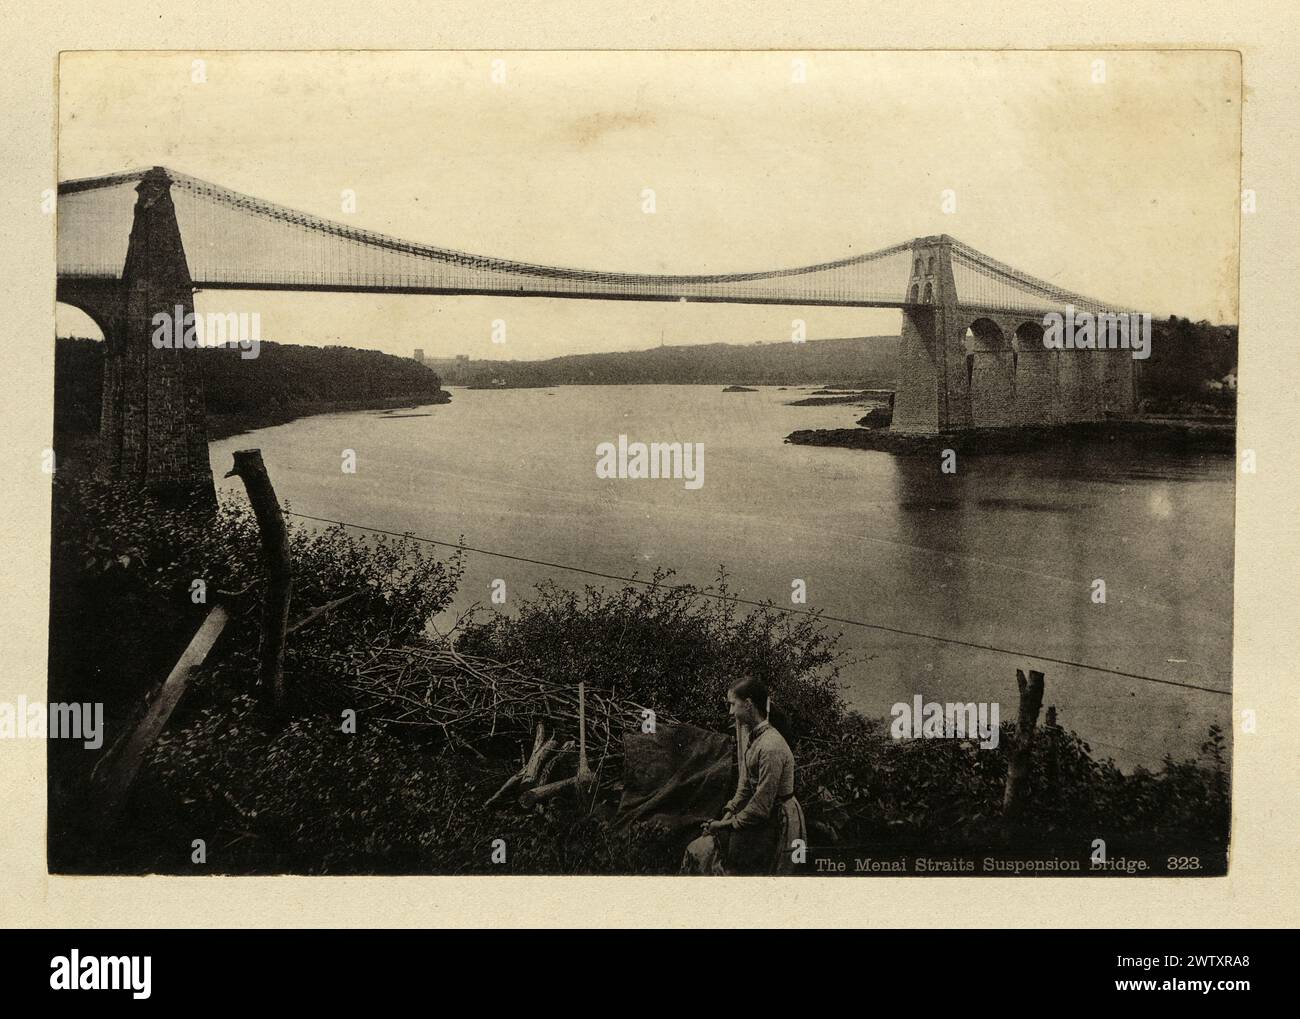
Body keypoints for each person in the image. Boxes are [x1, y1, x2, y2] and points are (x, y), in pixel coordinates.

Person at [681, 676, 806, 875]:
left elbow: (761, 805)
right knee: (703, 850)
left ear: (748, 704)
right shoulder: (754, 739)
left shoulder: (771, 746)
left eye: (732, 705)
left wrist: (723, 825)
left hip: (777, 820)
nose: (730, 712)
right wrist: (727, 814)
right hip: (758, 815)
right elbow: (746, 786)